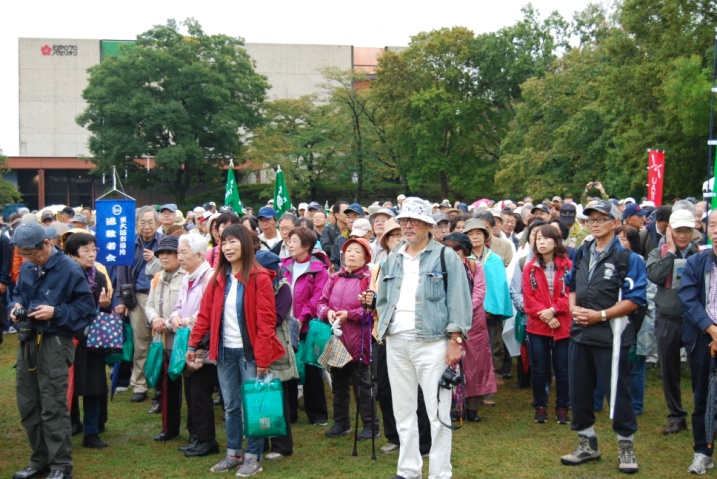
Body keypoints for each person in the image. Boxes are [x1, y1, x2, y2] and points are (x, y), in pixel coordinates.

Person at [371, 197, 472, 479]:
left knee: (438, 415)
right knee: (403, 412)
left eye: (414, 220)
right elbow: (384, 298)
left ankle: (440, 474)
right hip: (396, 342)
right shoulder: (392, 258)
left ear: (428, 224)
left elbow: (460, 300)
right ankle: (408, 470)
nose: (408, 225)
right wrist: (382, 329)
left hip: (433, 343)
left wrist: (455, 340)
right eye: (404, 220)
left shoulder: (445, 256)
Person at [187, 225, 284, 476]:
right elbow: (205, 314)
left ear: (245, 244)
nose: (227, 247)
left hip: (250, 353)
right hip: (224, 352)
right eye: (223, 242)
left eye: (232, 242)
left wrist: (262, 358)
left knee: (255, 405)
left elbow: (266, 323)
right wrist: (193, 344)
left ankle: (253, 457)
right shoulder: (219, 277)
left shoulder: (259, 278)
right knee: (230, 405)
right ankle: (233, 454)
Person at [560, 200, 647, 474]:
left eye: (601, 218)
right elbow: (571, 284)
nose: (595, 223)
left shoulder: (628, 259)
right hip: (580, 335)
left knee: (618, 394)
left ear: (614, 222)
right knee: (580, 391)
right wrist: (573, 308)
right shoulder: (581, 252)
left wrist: (601, 315)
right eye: (590, 219)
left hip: (612, 337)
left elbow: (635, 299)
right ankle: (587, 444)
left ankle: (626, 447)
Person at [10, 222, 95, 479]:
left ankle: (60, 465)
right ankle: (39, 460)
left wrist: (55, 312)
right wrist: (15, 308)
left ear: (47, 244)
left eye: (32, 254)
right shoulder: (27, 266)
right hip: (28, 340)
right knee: (28, 403)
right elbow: (18, 295)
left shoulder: (69, 269)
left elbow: (86, 310)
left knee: (53, 404)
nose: (29, 260)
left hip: (55, 341)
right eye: (24, 255)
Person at [317, 237, 380, 439]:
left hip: (360, 341)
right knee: (339, 385)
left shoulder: (368, 279)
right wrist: (326, 312)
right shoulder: (335, 277)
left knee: (362, 385)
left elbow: (373, 310)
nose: (351, 255)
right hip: (337, 339)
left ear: (366, 257)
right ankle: (341, 423)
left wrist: (349, 314)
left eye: (357, 251)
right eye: (349, 251)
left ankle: (371, 426)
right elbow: (321, 302)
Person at [647, 209, 700, 436]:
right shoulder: (658, 252)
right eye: (678, 230)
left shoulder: (701, 254)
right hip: (667, 318)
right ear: (670, 231)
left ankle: (705, 414)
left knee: (700, 369)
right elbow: (655, 276)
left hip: (694, 320)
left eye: (687, 230)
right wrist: (670, 253)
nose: (683, 235)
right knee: (669, 370)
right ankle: (676, 416)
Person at [168, 234, 219, 458]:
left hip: (204, 345)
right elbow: (178, 307)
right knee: (191, 392)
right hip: (187, 341)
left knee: (200, 393)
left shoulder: (210, 277)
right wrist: (175, 318)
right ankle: (197, 436)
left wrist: (188, 321)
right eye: (178, 252)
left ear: (199, 255)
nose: (179, 257)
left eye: (183, 252)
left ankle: (206, 440)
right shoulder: (188, 277)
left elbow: (208, 313)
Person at [63, 233, 113, 450]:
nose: (91, 254)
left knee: (94, 385)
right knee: (68, 385)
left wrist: (104, 305)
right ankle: (72, 423)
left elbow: (104, 311)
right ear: (72, 254)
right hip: (68, 338)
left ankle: (91, 431)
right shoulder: (63, 276)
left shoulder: (99, 276)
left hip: (92, 338)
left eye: (94, 249)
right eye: (86, 250)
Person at [443, 232, 496, 422]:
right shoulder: (442, 268)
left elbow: (479, 292)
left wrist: (462, 310)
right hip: (449, 323)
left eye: (457, 251)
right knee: (452, 363)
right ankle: (453, 407)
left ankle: (472, 408)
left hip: (474, 323)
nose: (454, 255)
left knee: (476, 364)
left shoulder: (476, 267)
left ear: (465, 252)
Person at [679, 210, 717, 474]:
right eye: (713, 224)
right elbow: (688, 299)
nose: (716, 229)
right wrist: (712, 329)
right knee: (702, 395)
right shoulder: (697, 262)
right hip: (703, 340)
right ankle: (703, 451)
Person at [522, 225, 572, 424]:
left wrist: (553, 310)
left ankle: (562, 406)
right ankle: (540, 405)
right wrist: (546, 315)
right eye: (538, 239)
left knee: (562, 368)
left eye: (545, 239)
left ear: (556, 241)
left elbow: (570, 293)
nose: (541, 242)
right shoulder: (530, 267)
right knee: (539, 368)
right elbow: (529, 297)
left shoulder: (568, 265)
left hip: (562, 323)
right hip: (538, 325)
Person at [281, 226, 331, 426]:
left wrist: (301, 318)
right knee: (288, 368)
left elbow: (318, 298)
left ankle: (318, 414)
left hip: (307, 327)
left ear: (306, 245)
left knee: (310, 368)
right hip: (285, 324)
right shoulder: (284, 266)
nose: (290, 244)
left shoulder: (318, 270)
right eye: (289, 241)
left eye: (294, 241)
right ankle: (290, 412)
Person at [114, 205, 164, 403]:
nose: (146, 227)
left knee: (160, 341)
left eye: (150, 222)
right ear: (136, 225)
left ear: (157, 224)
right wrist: (121, 300)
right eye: (142, 222)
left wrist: (157, 259)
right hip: (138, 296)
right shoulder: (128, 244)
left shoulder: (164, 242)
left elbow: (174, 267)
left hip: (160, 294)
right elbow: (121, 273)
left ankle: (161, 385)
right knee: (141, 341)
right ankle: (140, 385)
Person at [145, 235, 186, 439]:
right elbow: (149, 304)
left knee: (189, 386)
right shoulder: (157, 277)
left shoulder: (187, 276)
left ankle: (196, 430)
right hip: (161, 339)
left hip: (181, 338)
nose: (165, 256)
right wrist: (154, 320)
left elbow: (187, 309)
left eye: (170, 252)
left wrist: (167, 323)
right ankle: (169, 428)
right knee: (167, 386)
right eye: (162, 253)